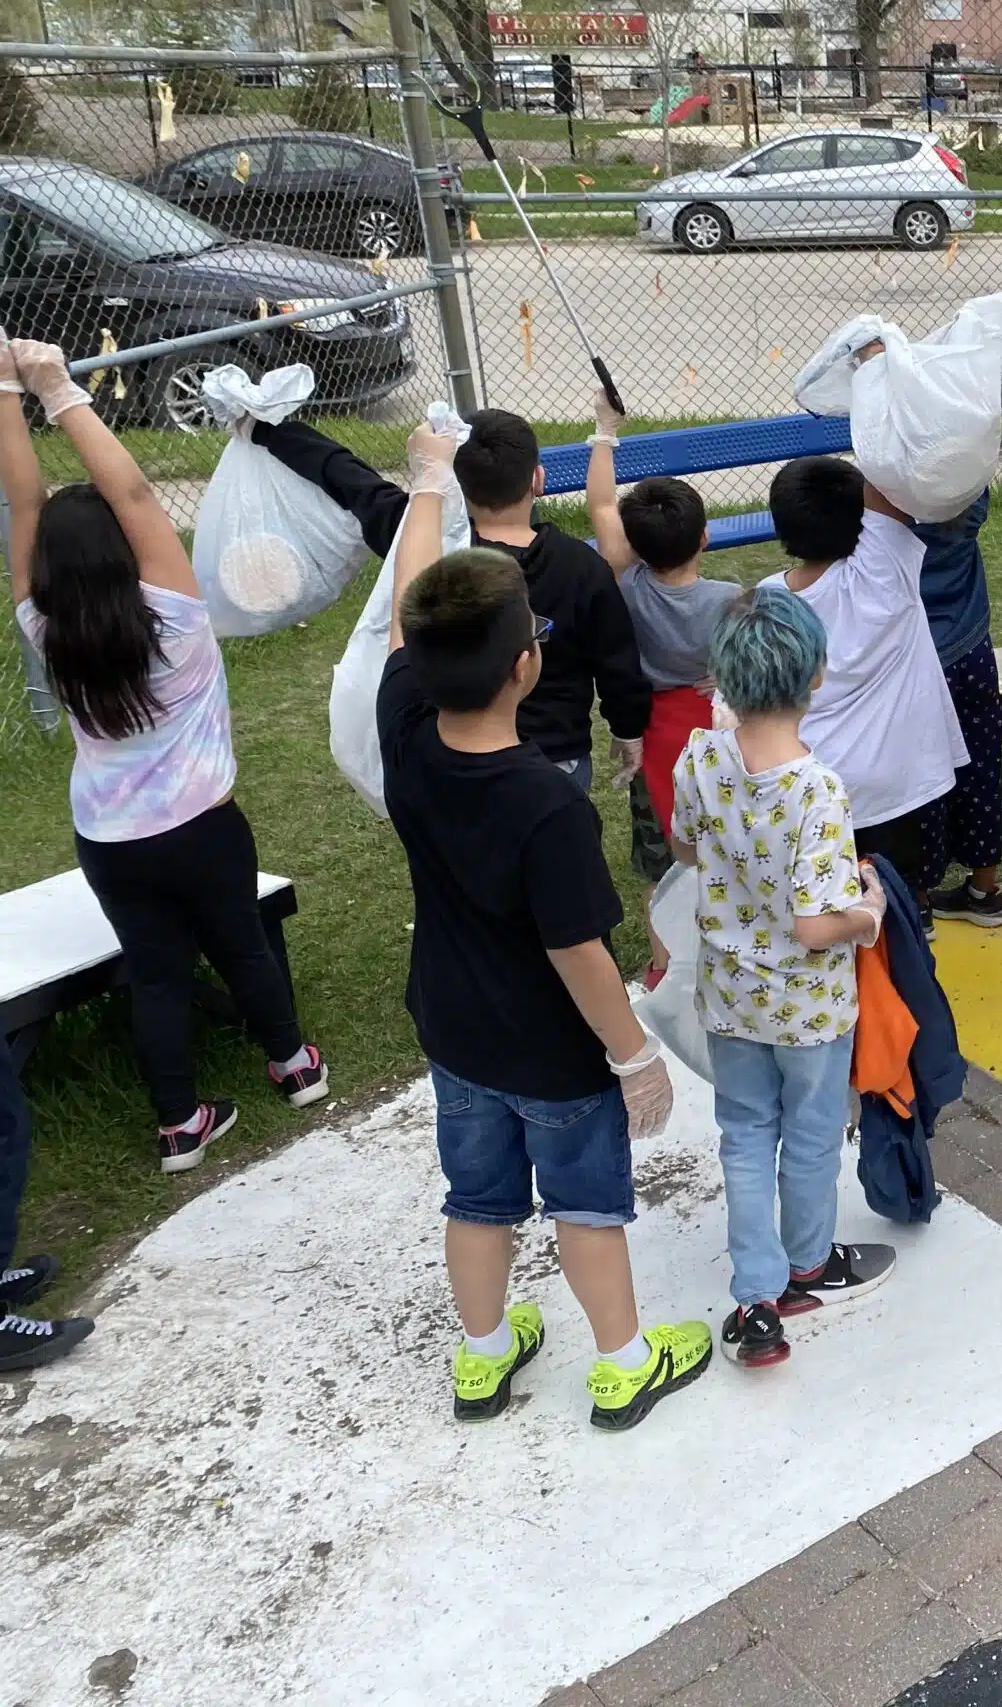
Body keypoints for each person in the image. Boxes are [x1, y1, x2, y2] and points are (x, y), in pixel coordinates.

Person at [377, 420, 709, 1428]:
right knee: (584, 1206)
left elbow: (404, 619)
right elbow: (577, 953)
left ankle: (483, 1358)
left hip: (453, 1032)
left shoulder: (402, 723)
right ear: (526, 668)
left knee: (475, 1200)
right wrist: (631, 1058)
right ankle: (622, 1363)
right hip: (557, 1057)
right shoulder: (547, 807)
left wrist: (428, 486)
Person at [2, 340, 326, 1187]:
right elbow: (135, 491)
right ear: (123, 551)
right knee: (244, 949)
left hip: (110, 840)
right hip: (205, 829)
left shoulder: (44, 626)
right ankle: (294, 1067)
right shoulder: (176, 616)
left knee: (155, 977)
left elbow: (23, 503)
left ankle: (181, 1126)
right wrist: (56, 388)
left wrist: (6, 392)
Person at [670, 588, 898, 1368]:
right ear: (818, 679)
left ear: (723, 681)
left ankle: (755, 1295)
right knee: (808, 1135)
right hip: (808, 1008)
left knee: (742, 1134)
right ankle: (806, 1264)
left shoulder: (700, 756)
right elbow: (814, 923)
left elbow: (686, 850)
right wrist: (869, 914)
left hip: (729, 997)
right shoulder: (817, 789)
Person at [245, 400, 651, 786]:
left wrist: (265, 428)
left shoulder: (426, 545)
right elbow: (617, 661)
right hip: (556, 759)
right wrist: (628, 728)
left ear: (455, 482)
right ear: (537, 479)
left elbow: (348, 476)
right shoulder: (583, 567)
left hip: (456, 758)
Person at [761, 454, 970, 894]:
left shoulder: (766, 602)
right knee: (901, 919)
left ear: (780, 529)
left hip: (809, 792)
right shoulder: (885, 569)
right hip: (896, 791)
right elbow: (884, 471)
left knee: (827, 915)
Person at [584, 394, 740, 899]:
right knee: (725, 847)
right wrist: (729, 675)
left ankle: (663, 966)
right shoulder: (732, 601)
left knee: (663, 870)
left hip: (650, 732)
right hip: (715, 728)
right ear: (705, 538)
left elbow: (602, 504)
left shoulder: (625, 580)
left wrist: (605, 428)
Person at [916, 487, 1002, 933]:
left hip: (914, 658)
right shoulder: (969, 502)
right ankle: (983, 891)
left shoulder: (887, 511)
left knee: (918, 778)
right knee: (981, 767)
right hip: (971, 651)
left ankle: (918, 898)